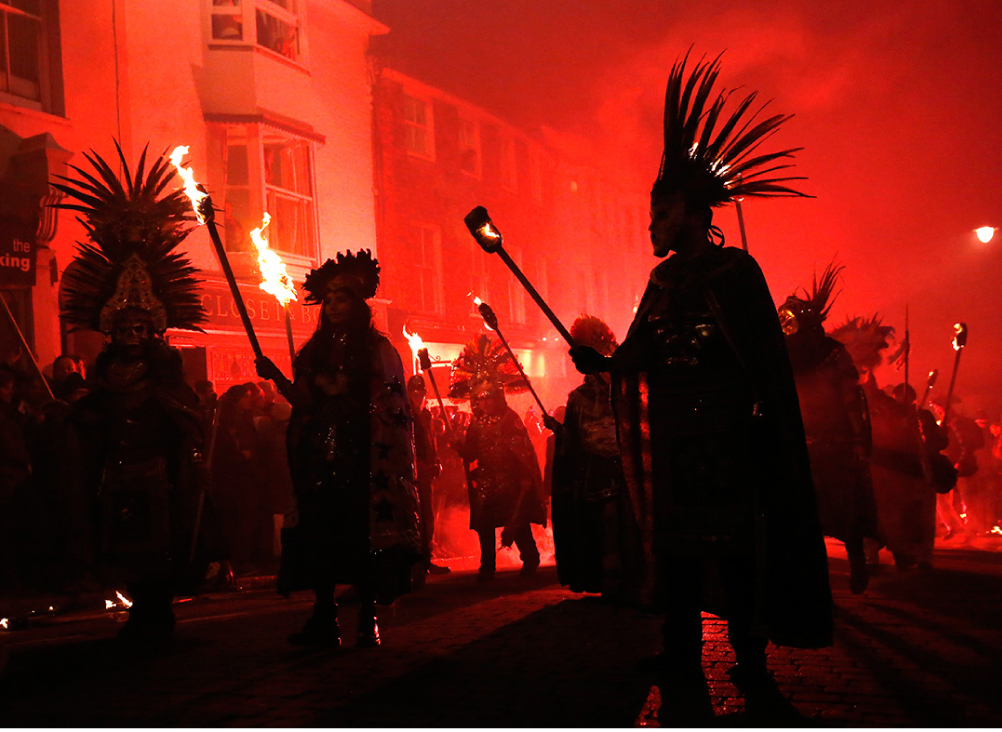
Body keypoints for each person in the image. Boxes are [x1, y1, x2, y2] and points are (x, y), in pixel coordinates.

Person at [569, 55, 833, 705]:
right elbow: (639, 352)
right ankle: (681, 652)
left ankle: (750, 659)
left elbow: (764, 362)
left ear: (689, 210)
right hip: (676, 446)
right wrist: (602, 363)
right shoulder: (661, 283)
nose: (650, 223)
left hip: (729, 443)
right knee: (678, 551)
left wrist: (761, 429)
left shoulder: (737, 274)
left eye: (659, 210)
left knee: (737, 551)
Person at [53, 142, 219, 642]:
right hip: (117, 473)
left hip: (157, 474)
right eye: (120, 327)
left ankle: (157, 610)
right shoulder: (105, 371)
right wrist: (79, 412)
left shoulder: (165, 371)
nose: (128, 334)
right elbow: (97, 412)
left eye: (137, 327)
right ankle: (135, 609)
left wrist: (184, 422)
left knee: (159, 543)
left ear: (151, 331)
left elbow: (180, 412)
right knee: (120, 540)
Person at [256, 250, 421, 648]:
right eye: (327, 300)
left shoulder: (378, 350)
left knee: (361, 538)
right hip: (319, 460)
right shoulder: (313, 351)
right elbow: (305, 402)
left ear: (358, 304)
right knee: (321, 539)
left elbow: (393, 406)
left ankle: (368, 618)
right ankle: (324, 617)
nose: (332, 307)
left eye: (341, 298)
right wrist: (276, 376)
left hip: (363, 458)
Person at [779, 264, 879, 594]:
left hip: (835, 441)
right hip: (796, 440)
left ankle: (856, 562)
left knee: (844, 510)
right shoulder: (783, 356)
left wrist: (859, 440)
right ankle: (809, 577)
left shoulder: (833, 354)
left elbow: (852, 399)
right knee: (800, 513)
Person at [448, 334, 546, 580]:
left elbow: (523, 452)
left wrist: (524, 476)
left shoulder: (510, 419)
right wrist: (459, 447)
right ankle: (487, 565)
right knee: (485, 525)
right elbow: (472, 453)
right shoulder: (475, 424)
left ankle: (530, 558)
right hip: (486, 480)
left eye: (488, 398)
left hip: (510, 480)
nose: (484, 403)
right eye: (480, 399)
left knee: (517, 523)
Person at [548, 315, 623, 597]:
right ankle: (604, 578)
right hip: (594, 472)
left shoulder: (623, 389)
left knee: (619, 523)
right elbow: (575, 439)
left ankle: (624, 577)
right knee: (600, 527)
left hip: (623, 468)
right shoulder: (577, 398)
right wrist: (560, 430)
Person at [407, 374, 450, 577]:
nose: (418, 396)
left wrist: (437, 462)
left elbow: (431, 443)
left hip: (426, 476)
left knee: (428, 517)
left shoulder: (426, 416)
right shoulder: (404, 416)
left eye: (421, 392)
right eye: (414, 392)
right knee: (414, 518)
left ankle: (426, 558)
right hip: (410, 475)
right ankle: (414, 561)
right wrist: (420, 467)